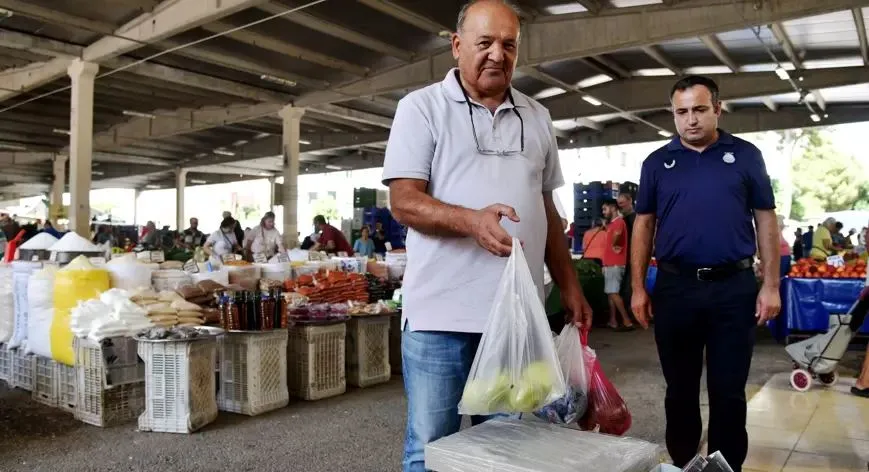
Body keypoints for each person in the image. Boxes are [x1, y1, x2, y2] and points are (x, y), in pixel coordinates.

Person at [381, 2, 592, 470]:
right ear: (457, 47)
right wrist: (471, 221)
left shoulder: (536, 116)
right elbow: (404, 201)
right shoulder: (421, 109)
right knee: (430, 447)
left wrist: (570, 285)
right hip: (440, 316)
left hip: (516, 318)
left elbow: (547, 211)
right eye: (485, 42)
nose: (498, 54)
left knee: (505, 451)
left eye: (509, 44)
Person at [630, 75, 780, 472]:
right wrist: (637, 288)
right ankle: (682, 464)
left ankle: (727, 468)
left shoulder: (746, 156)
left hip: (734, 289)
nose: (691, 120)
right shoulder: (657, 164)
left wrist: (770, 285)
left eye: (699, 110)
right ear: (673, 115)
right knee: (679, 391)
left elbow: (766, 220)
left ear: (718, 108)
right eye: (682, 112)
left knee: (728, 392)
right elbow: (642, 226)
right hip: (676, 289)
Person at [602, 200, 634, 331]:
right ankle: (613, 320)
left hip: (615, 263)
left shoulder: (619, 222)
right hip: (611, 263)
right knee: (611, 293)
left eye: (605, 209)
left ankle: (627, 321)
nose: (603, 212)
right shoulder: (613, 224)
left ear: (613, 208)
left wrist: (614, 244)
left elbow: (618, 236)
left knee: (613, 292)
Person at [617, 191, 637, 321]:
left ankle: (632, 315)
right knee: (625, 286)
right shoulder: (622, 220)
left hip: (633, 257)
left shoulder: (635, 219)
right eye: (619, 204)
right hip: (624, 258)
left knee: (630, 287)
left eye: (622, 203)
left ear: (630, 201)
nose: (620, 206)